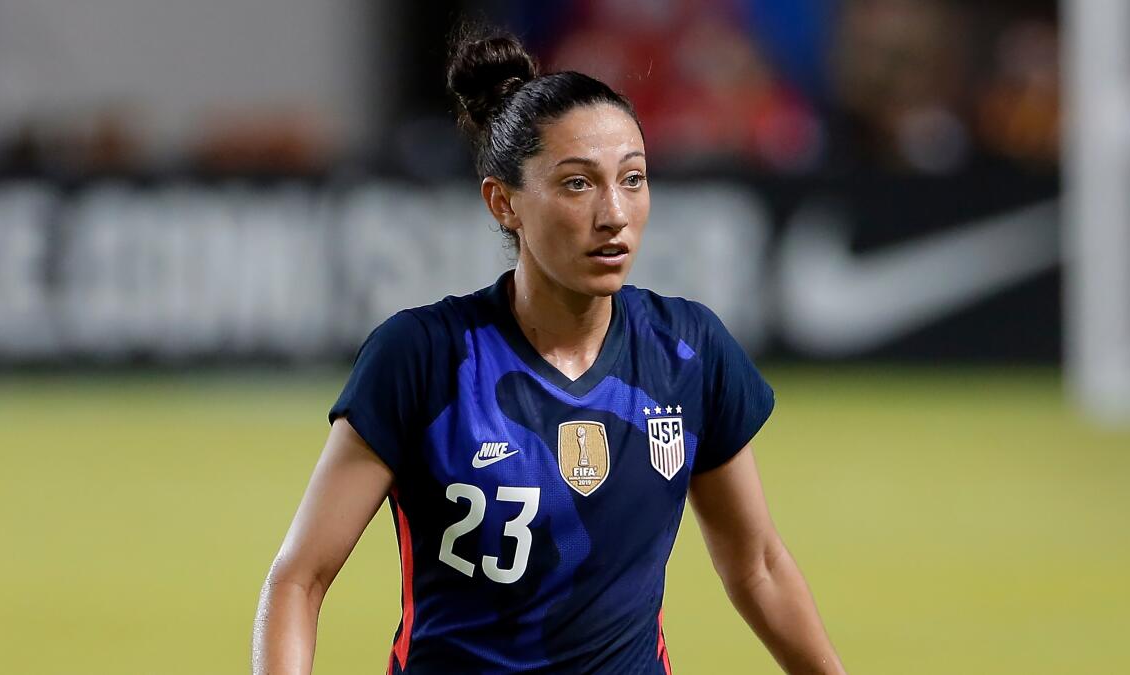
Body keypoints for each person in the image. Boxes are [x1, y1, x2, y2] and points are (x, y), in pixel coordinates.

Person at [252, 26, 846, 675]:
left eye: (633, 178)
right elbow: (299, 579)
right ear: (503, 202)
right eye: (577, 184)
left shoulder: (689, 352)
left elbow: (757, 564)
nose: (614, 212)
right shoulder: (423, 357)